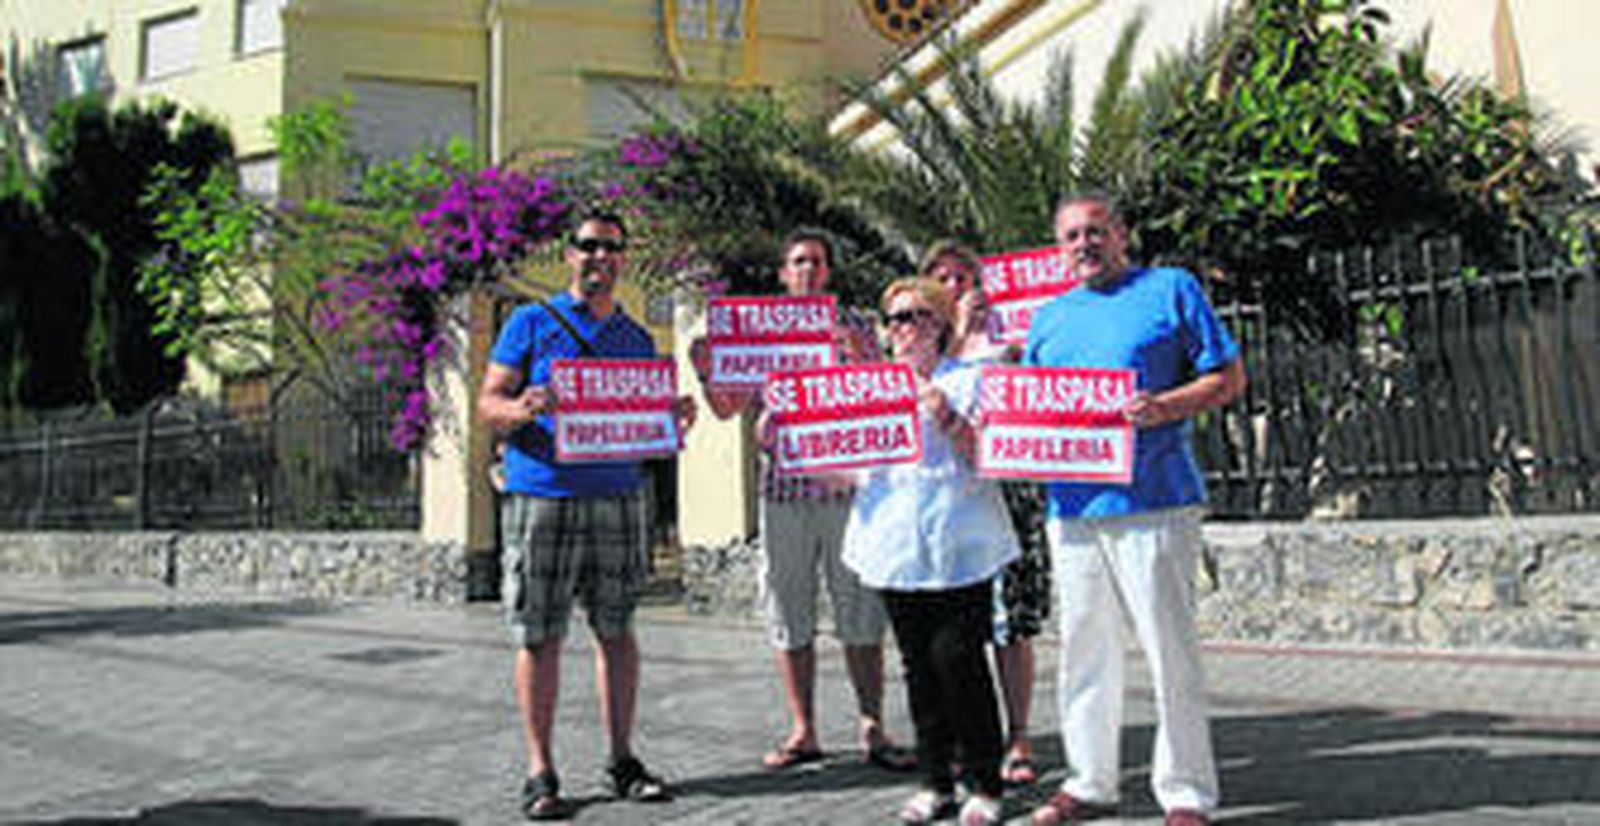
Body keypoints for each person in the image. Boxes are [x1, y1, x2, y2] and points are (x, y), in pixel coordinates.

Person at [1026, 194, 1245, 826]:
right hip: (1072, 507)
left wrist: (1165, 407)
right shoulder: (1048, 319)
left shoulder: (1172, 289)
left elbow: (1228, 380)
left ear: (1121, 234)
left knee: (1168, 648)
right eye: (1071, 236)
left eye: (1096, 231)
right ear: (1059, 248)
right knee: (1084, 648)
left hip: (1156, 498)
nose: (1084, 244)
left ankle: (1185, 792)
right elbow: (1033, 412)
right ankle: (1090, 780)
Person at [477, 209, 698, 821]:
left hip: (619, 496)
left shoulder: (634, 339)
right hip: (543, 494)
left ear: (622, 260)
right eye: (589, 247)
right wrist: (521, 407)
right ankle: (540, 770)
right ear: (570, 256)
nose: (601, 258)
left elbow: (644, 419)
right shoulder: (529, 322)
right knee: (540, 634)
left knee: (618, 630)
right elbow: (487, 402)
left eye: (612, 249)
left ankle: (623, 759)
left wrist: (672, 415)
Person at [691, 229, 914, 773]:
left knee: (860, 613)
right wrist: (704, 368)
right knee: (789, 616)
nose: (808, 270)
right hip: (783, 493)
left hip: (846, 492)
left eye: (816, 261)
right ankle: (804, 729)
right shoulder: (758, 334)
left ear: (828, 272)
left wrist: (858, 352)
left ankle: (872, 726)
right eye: (798, 262)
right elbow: (726, 408)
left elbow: (888, 395)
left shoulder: (858, 325)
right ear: (783, 275)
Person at [833, 277, 1019, 825]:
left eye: (916, 316)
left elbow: (997, 456)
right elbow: (840, 469)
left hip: (962, 543)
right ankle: (935, 780)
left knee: (961, 662)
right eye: (893, 318)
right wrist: (790, 442)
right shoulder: (867, 387)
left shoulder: (975, 378)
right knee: (918, 667)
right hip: (893, 545)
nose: (903, 328)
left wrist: (949, 419)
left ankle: (984, 781)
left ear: (941, 325)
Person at [919, 240, 1048, 786]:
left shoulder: (1010, 340)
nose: (955, 287)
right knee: (954, 625)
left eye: (963, 277)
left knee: (1011, 623)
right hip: (948, 503)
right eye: (942, 278)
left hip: (1010, 491)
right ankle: (967, 739)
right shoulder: (922, 347)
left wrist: (986, 340)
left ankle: (1018, 733)